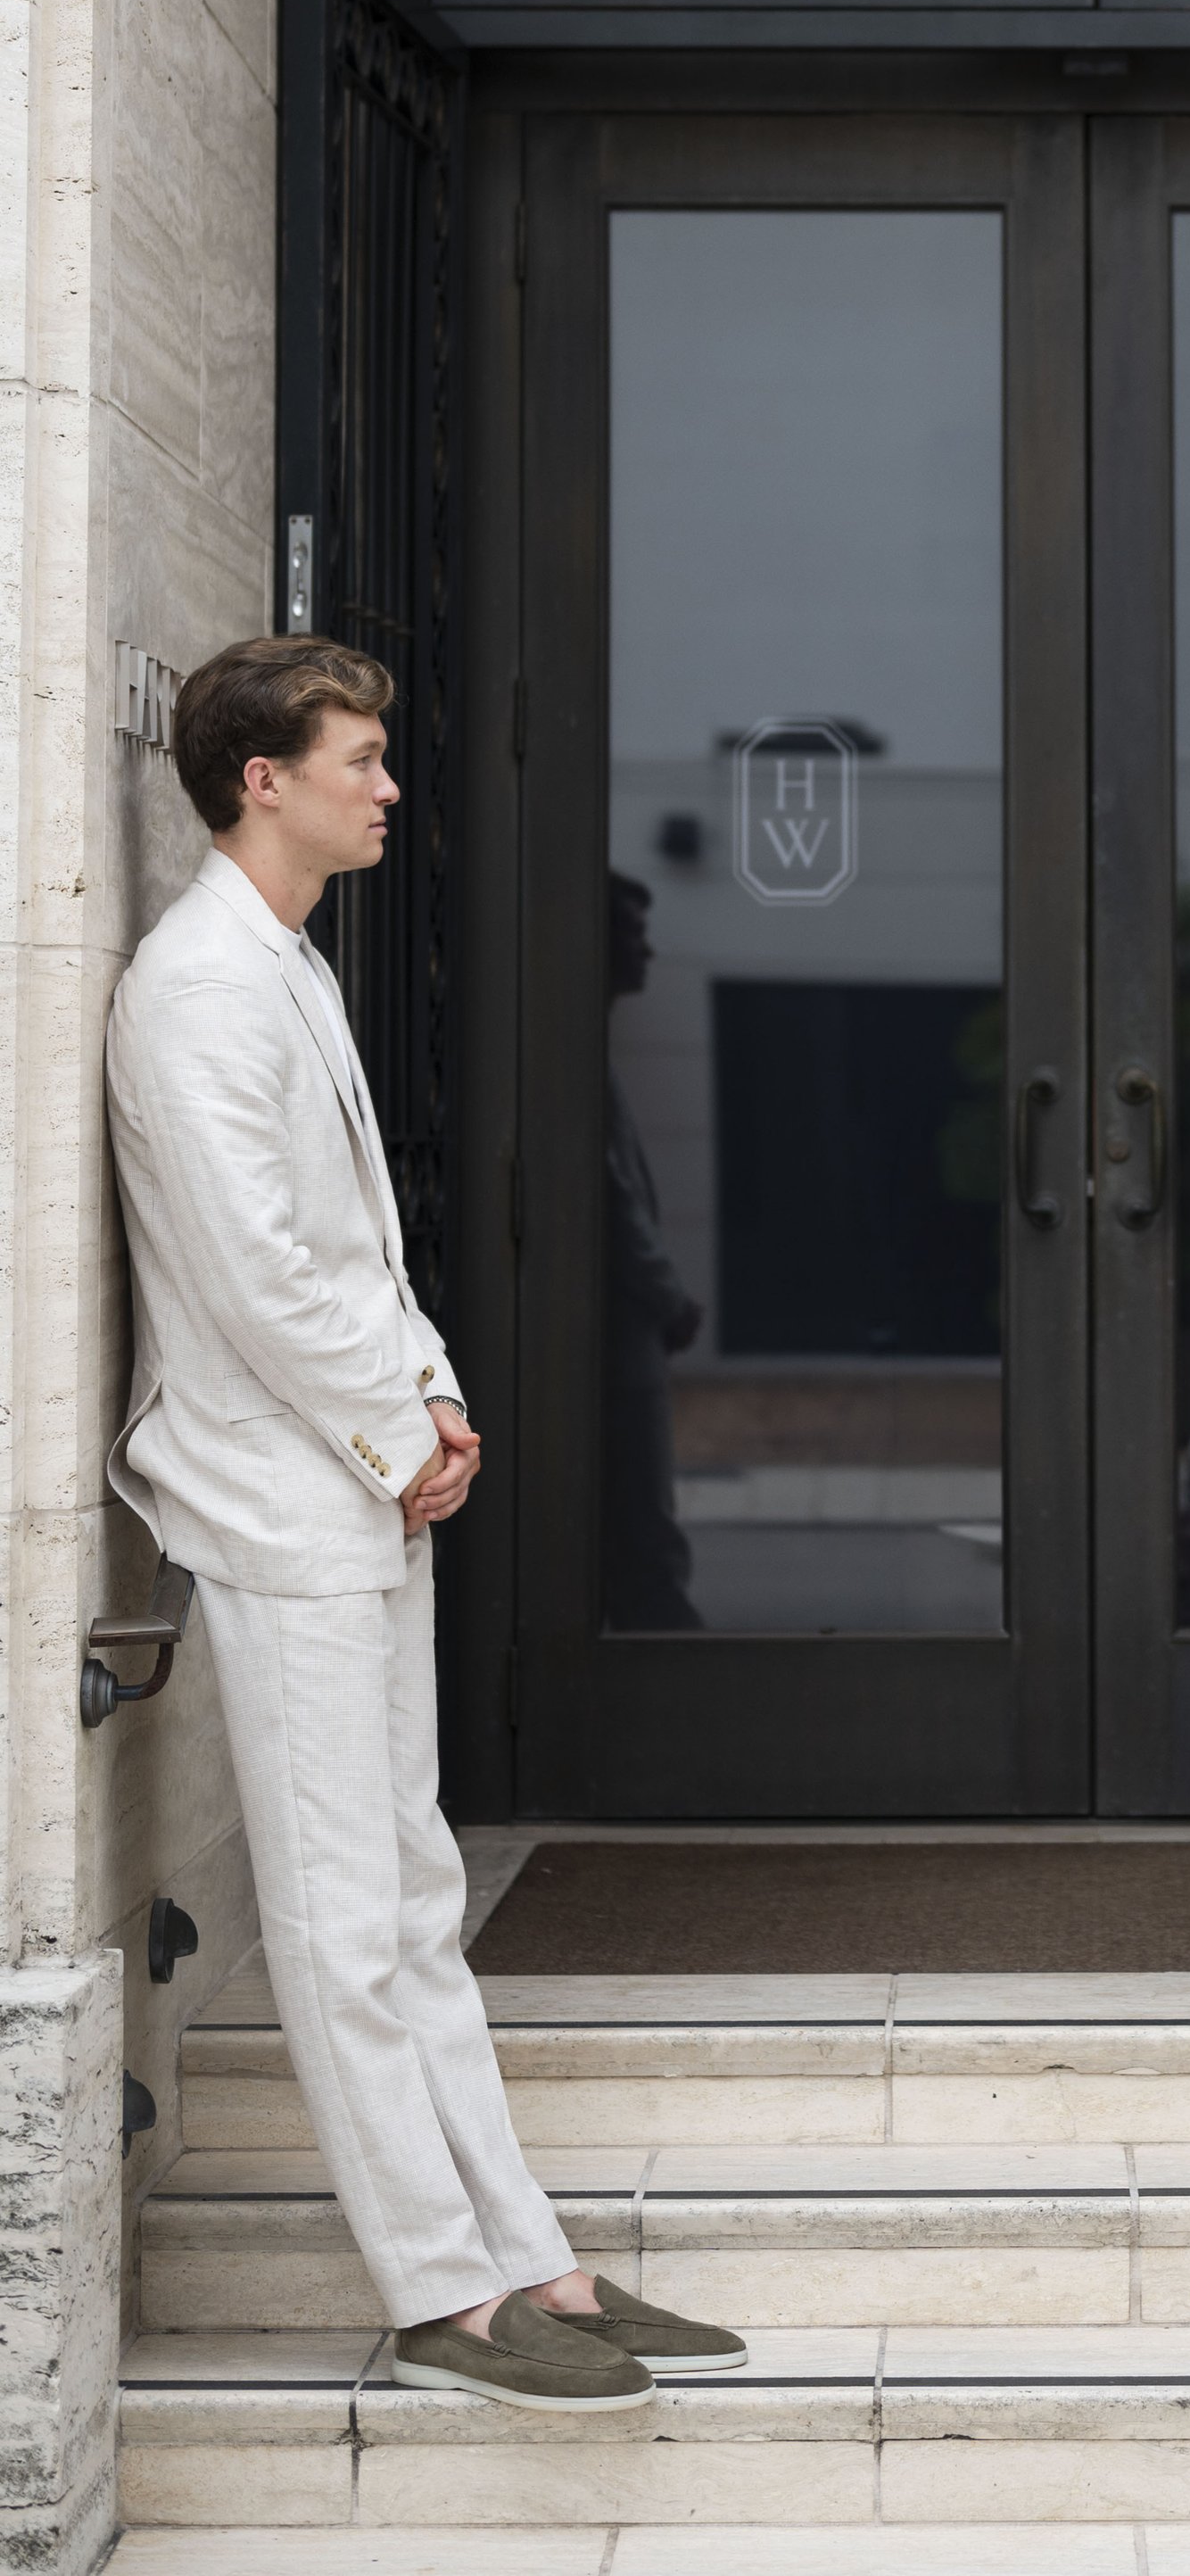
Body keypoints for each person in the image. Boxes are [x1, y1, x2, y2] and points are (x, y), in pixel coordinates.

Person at [103, 635, 749, 2408]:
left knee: (407, 1886)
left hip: (356, 1476)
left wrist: (432, 1402)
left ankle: (531, 2259)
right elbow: (251, 1271)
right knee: (338, 1909)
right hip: (279, 1490)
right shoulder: (196, 988)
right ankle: (437, 2289)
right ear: (264, 777)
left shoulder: (284, 965)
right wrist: (400, 1430)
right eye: (361, 758)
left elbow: (355, 1253)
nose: (388, 787)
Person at [604, 871, 704, 1630]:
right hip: (616, 1334)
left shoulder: (592, 1055)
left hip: (625, 1329)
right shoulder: (576, 1068)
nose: (649, 950)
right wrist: (669, 1299)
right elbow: (615, 1207)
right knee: (637, 1509)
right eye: (634, 934)